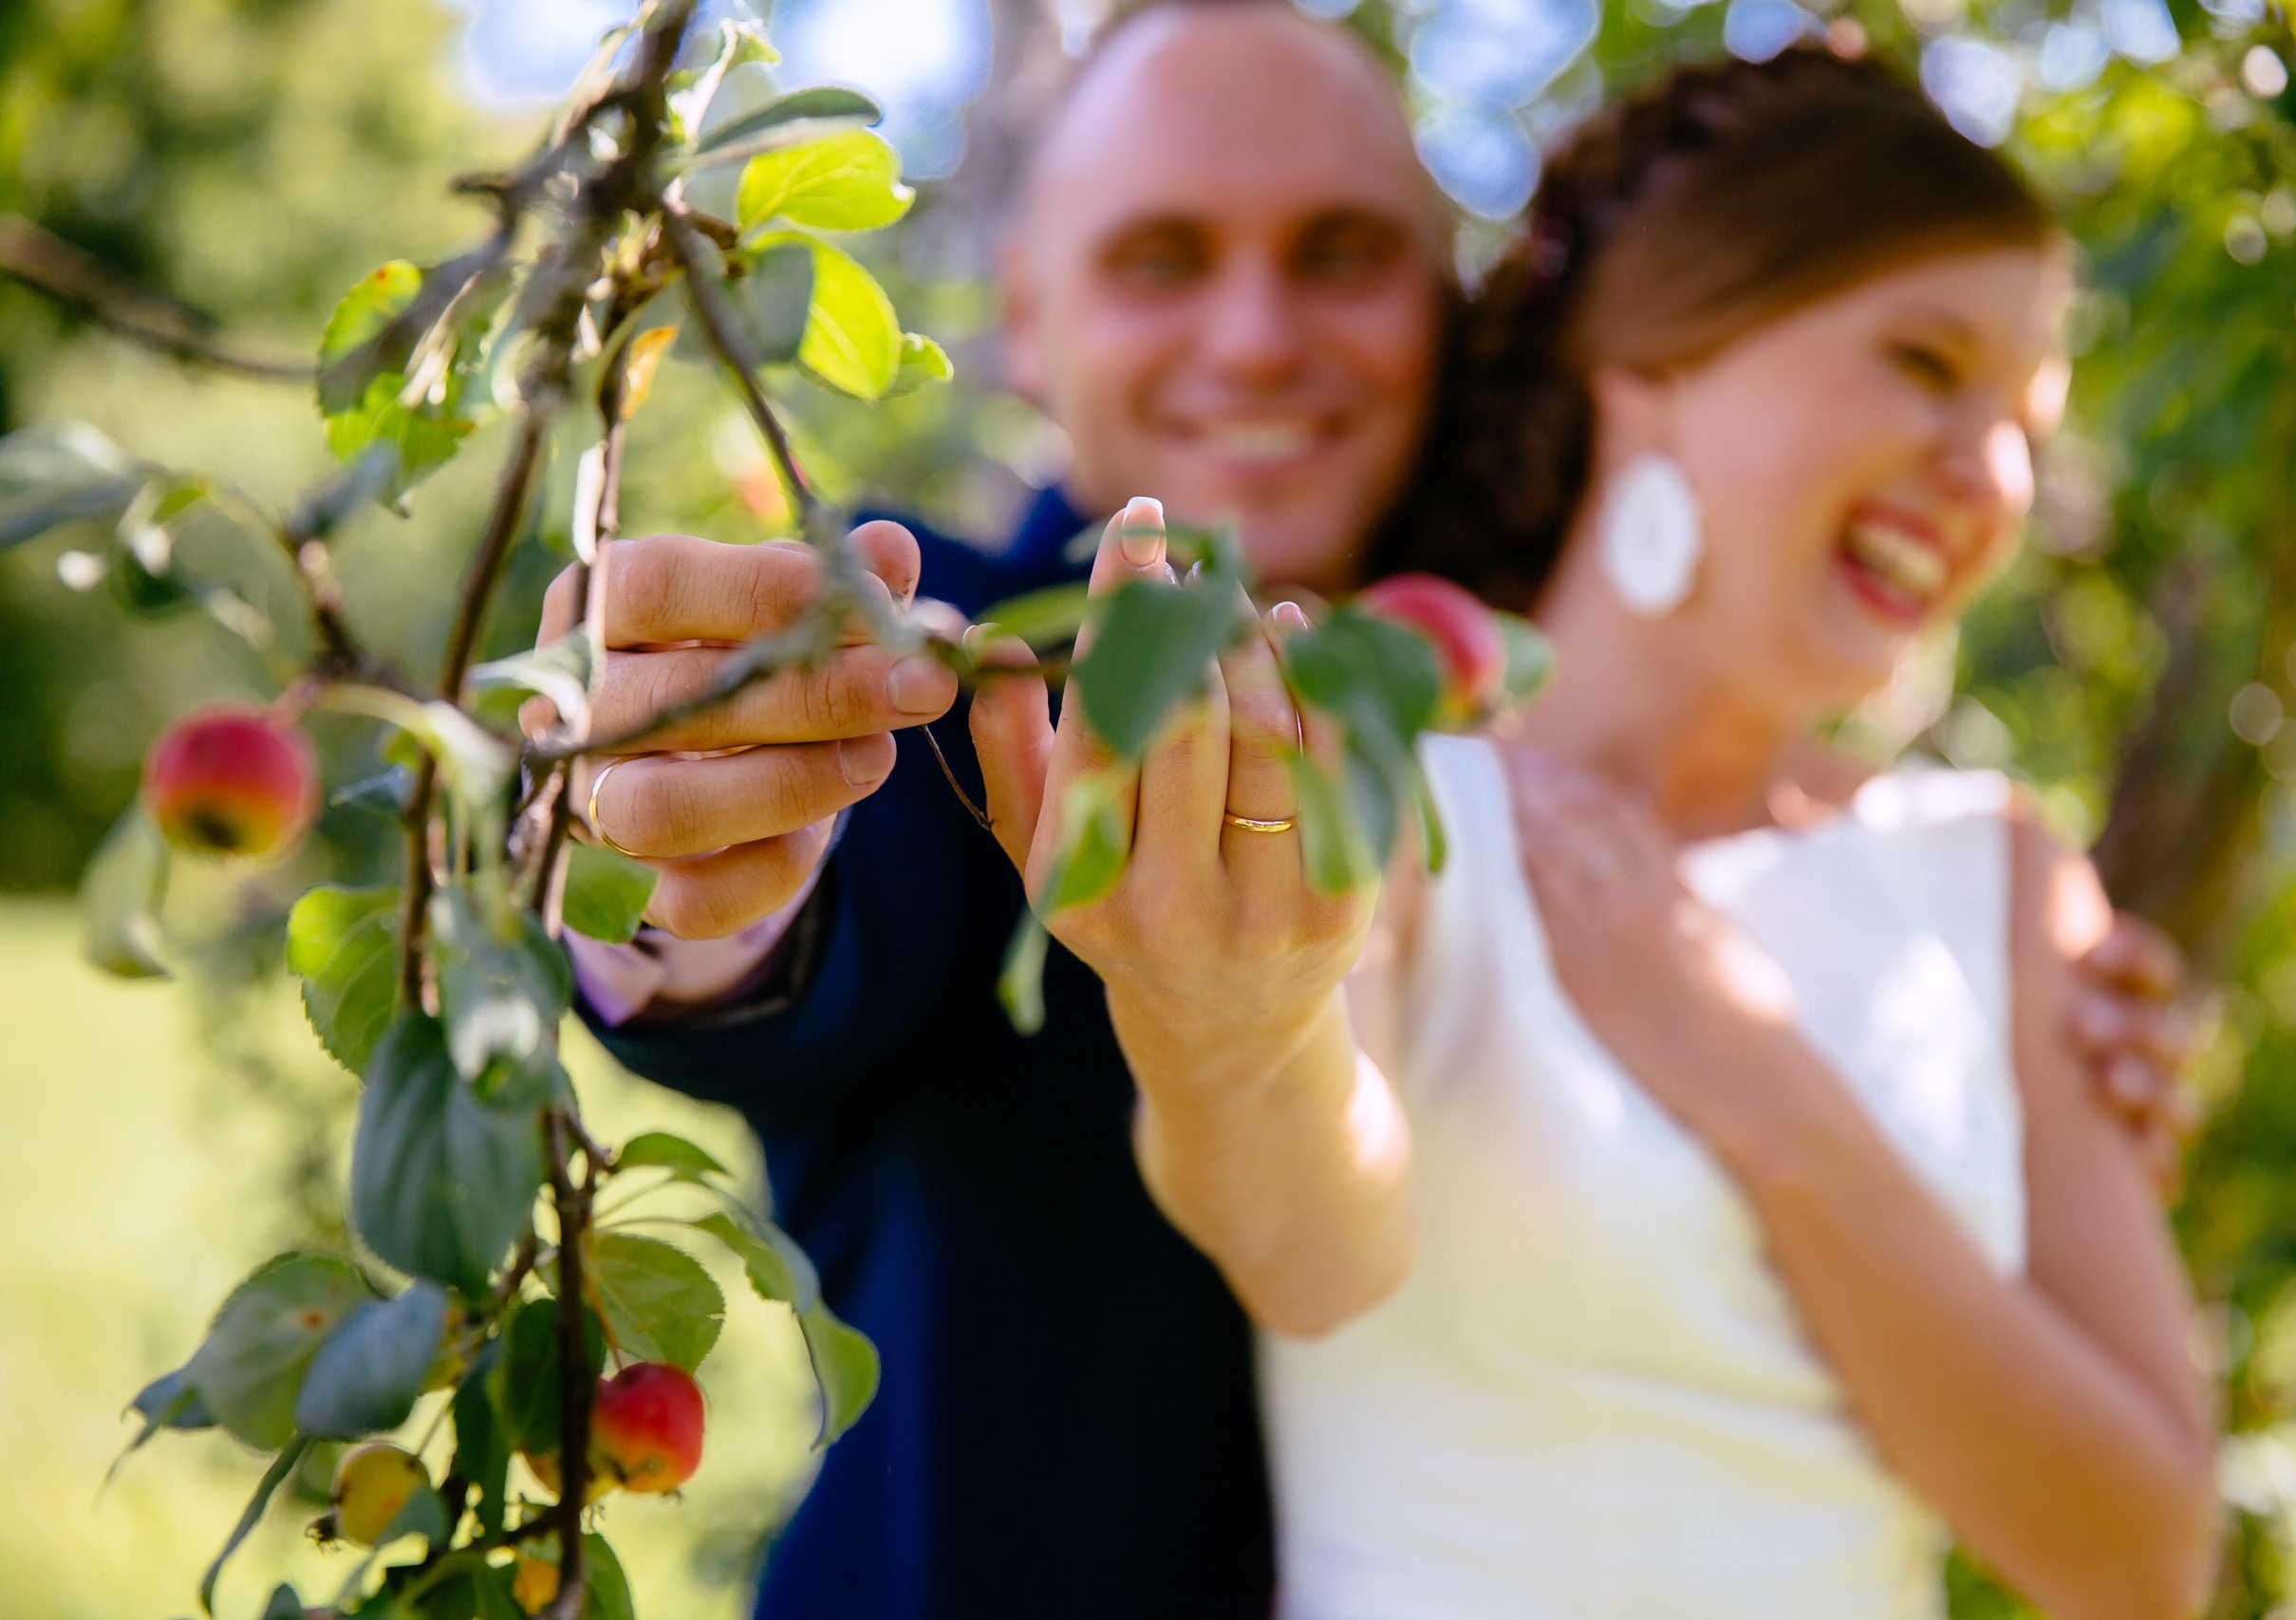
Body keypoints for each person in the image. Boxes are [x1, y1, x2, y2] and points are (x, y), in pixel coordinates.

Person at [538, 6, 2194, 1614]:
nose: (1256, 335)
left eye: (1337, 253)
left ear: (1452, 310)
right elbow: (781, 921)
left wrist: (1956, 1038)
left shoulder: (1526, 728)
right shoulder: (964, 659)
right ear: (1028, 317)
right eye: (1163, 258)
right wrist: (674, 845)